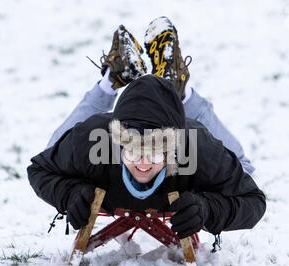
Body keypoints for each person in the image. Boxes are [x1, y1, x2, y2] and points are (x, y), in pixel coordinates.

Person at [27, 17, 265, 241]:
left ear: (171, 149)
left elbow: (253, 201)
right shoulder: (92, 140)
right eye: (131, 151)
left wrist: (208, 209)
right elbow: (39, 169)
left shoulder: (195, 145)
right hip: (107, 140)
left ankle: (175, 93)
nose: (142, 163)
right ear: (117, 145)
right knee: (54, 152)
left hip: (185, 144)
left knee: (243, 170)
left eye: (153, 153)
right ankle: (115, 81)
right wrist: (70, 194)